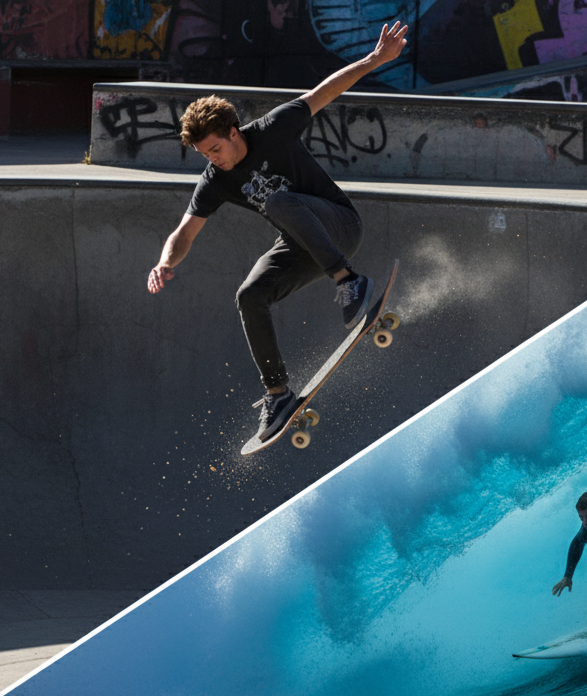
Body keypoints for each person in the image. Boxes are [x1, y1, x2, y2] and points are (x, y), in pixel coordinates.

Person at [147, 21, 409, 441]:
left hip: (339, 225)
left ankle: (350, 282)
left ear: (233, 133)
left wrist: (375, 59)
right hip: (301, 244)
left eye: (215, 149)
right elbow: (185, 231)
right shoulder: (215, 179)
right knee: (250, 296)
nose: (213, 161)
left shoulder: (274, 128)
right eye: (204, 155)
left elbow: (326, 90)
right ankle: (278, 394)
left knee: (277, 202)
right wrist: (164, 261)